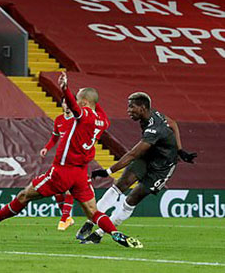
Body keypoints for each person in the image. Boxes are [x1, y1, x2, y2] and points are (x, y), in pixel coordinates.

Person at [0, 72, 143, 248]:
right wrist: (87, 97)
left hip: (63, 170)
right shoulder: (103, 121)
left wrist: (65, 89)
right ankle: (114, 232)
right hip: (82, 173)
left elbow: (75, 108)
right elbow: (94, 104)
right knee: (92, 212)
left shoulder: (83, 115)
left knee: (24, 195)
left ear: (83, 103)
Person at [77, 92, 197, 244]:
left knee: (132, 198)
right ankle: (91, 221)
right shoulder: (152, 114)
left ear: (142, 108)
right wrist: (180, 149)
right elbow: (173, 123)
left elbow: (132, 154)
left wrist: (107, 171)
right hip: (148, 157)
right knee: (120, 185)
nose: (128, 110)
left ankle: (99, 234)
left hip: (161, 168)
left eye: (132, 107)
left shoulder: (154, 129)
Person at [40, 99, 75, 231]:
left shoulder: (78, 120)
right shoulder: (59, 120)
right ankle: (67, 218)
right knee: (57, 189)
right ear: (62, 105)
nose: (67, 106)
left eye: (70, 103)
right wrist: (46, 148)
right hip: (61, 159)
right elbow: (54, 137)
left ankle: (64, 218)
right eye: (65, 103)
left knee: (69, 187)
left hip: (75, 159)